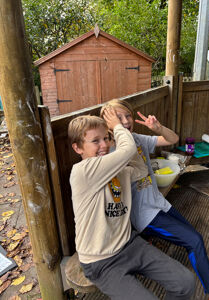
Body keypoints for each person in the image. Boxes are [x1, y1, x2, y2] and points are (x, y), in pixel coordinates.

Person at [100, 99, 209, 300]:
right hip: (145, 215)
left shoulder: (137, 138)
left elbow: (172, 139)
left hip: (159, 204)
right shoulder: (112, 152)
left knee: (194, 238)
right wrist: (117, 129)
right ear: (107, 123)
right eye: (118, 118)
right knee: (194, 241)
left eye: (128, 115)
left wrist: (159, 128)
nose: (125, 121)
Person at [68, 108, 195, 300]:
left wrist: (120, 136)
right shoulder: (82, 172)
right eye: (95, 141)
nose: (104, 145)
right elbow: (127, 151)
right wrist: (118, 128)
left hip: (129, 244)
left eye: (106, 138)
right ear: (77, 148)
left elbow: (140, 169)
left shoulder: (119, 171)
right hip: (100, 261)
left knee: (186, 282)